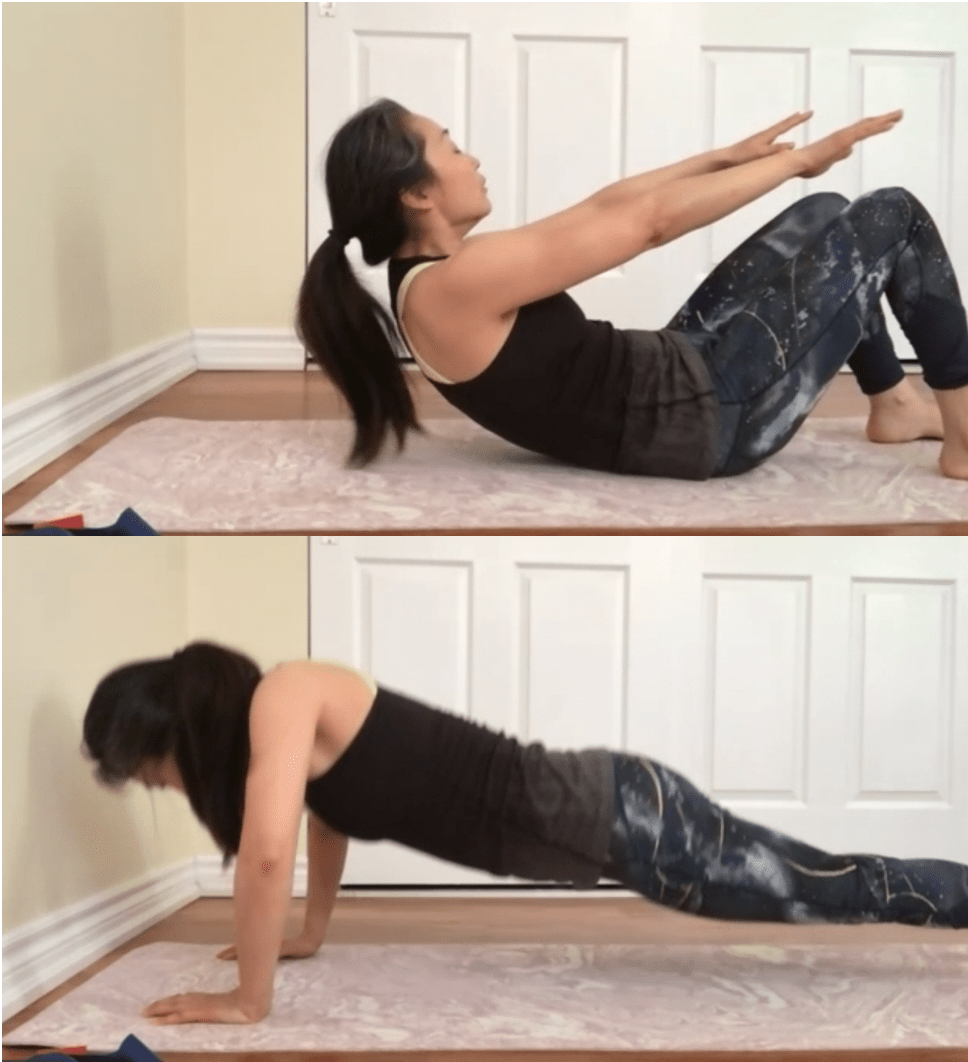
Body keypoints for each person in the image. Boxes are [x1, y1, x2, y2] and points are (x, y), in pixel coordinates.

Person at [82, 641, 968, 1027]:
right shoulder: (284, 736)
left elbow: (268, 851)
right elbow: (325, 823)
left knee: (823, 891)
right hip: (617, 830)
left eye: (152, 771)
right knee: (814, 888)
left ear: (173, 736)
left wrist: (248, 1003)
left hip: (623, 814)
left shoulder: (284, 694)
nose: (163, 786)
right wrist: (308, 934)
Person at [296, 98, 968, 482]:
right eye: (451, 147)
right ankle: (964, 438)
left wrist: (723, 158)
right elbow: (646, 226)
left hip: (681, 374)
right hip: (714, 419)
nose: (471, 158)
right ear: (416, 193)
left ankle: (896, 404)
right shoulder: (454, 287)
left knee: (825, 216)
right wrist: (795, 160)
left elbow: (601, 207)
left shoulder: (440, 273)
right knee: (892, 214)